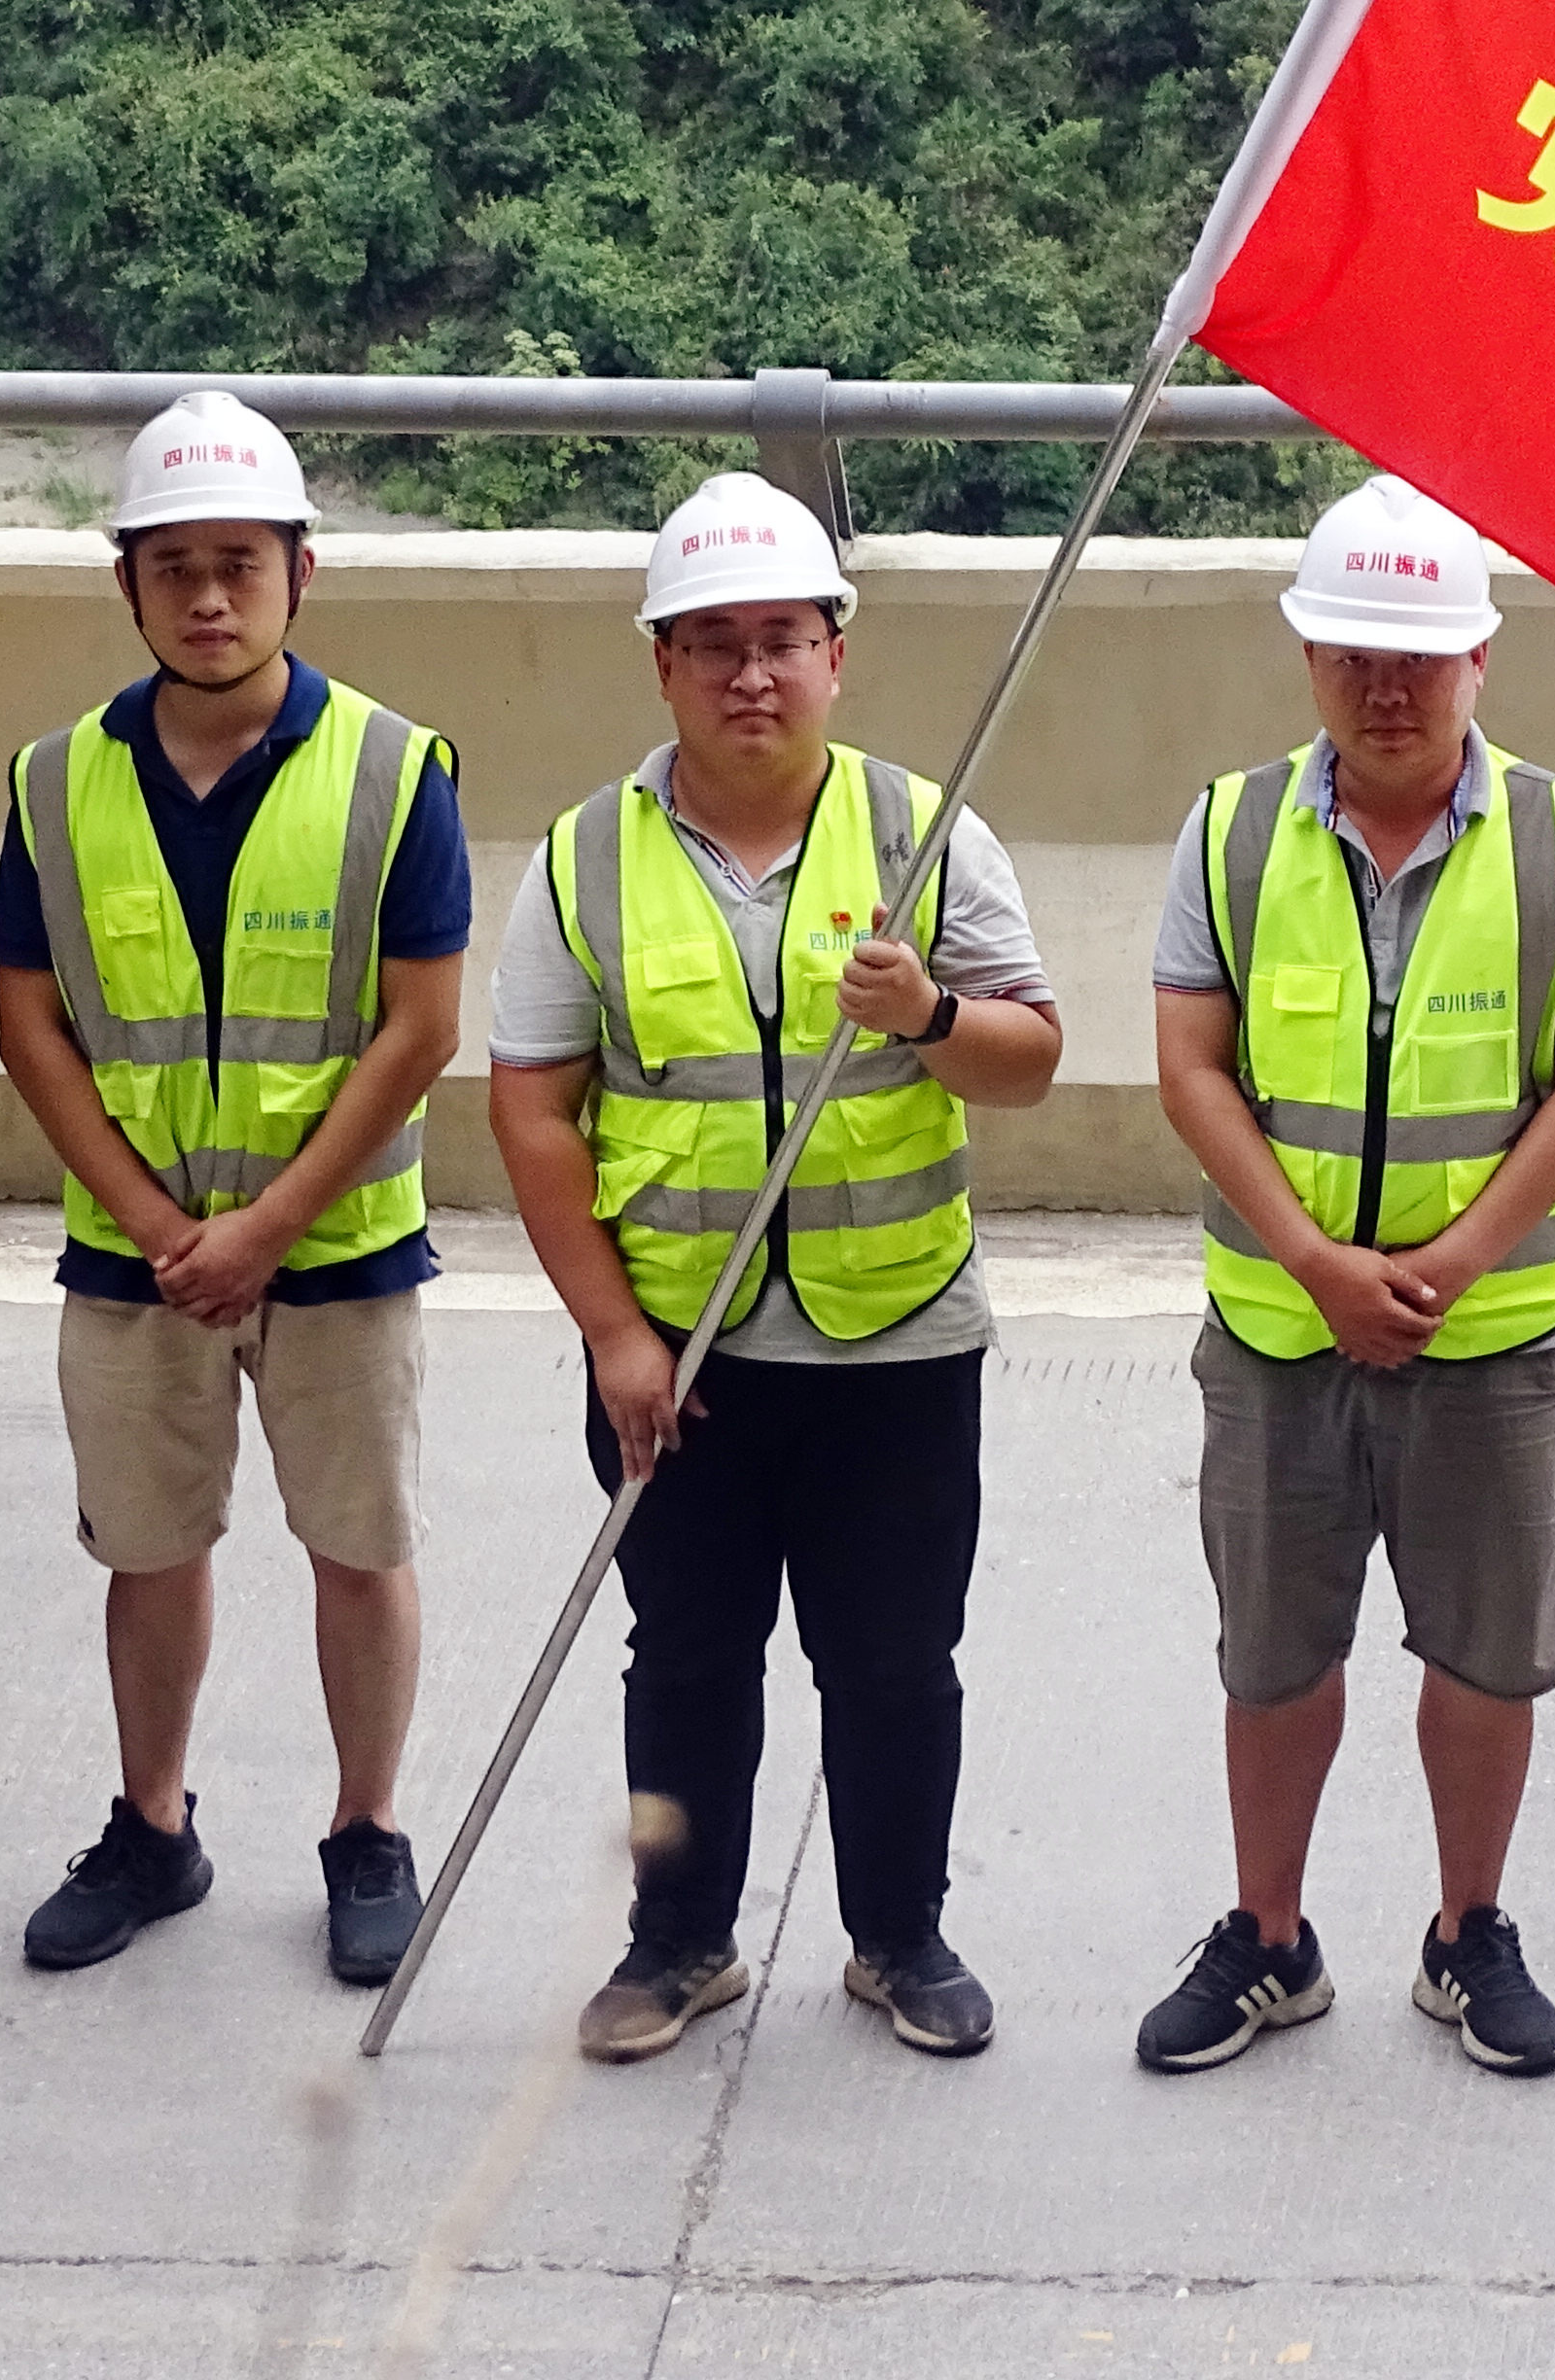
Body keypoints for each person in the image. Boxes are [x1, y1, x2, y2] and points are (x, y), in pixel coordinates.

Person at [486, 474, 1063, 2066]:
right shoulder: (587, 855)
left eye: (783, 641)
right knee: (684, 1659)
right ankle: (678, 1945)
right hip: (683, 1354)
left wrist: (931, 1020)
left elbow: (1030, 1060)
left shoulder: (926, 834)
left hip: (896, 1341)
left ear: (837, 656)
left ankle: (900, 1938)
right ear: (663, 663)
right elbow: (533, 1107)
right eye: (716, 644)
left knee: (893, 1661)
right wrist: (611, 1332)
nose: (753, 674)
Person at [1133, 474, 1555, 2083]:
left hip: (1490, 1343)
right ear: (1306, 655)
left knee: (1485, 1656)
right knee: (1275, 1656)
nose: (1388, 686)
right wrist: (1314, 1259)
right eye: (1354, 650)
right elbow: (1192, 1065)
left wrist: (1449, 1260)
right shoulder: (1228, 830)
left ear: (1484, 656)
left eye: (1420, 654)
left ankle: (1465, 1932)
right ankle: (1268, 1941)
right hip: (1281, 1336)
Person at [0, 393, 473, 1985]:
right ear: (124, 580)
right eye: (177, 565)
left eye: (242, 564)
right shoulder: (56, 780)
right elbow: (30, 1024)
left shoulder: (395, 770)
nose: (211, 596)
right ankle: (154, 1827)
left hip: (335, 1250)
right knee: (149, 1546)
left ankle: (368, 1830)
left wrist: (263, 1228)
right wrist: (156, 1227)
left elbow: (421, 1028)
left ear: (299, 575)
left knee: (358, 1543)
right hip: (137, 1261)